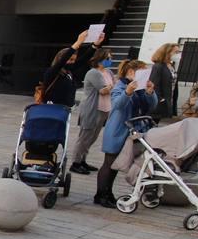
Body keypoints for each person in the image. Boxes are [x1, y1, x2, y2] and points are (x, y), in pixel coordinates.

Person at [95, 59, 157, 207]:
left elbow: (150, 107)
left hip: (131, 131)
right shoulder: (120, 86)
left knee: (116, 165)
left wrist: (150, 92)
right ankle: (101, 195)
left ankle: (108, 193)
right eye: (141, 73)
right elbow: (117, 105)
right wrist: (128, 92)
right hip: (117, 130)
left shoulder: (139, 89)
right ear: (131, 73)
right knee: (109, 163)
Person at [69, 48, 117, 175]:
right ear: (99, 59)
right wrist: (111, 87)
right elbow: (103, 90)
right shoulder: (93, 73)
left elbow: (113, 86)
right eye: (108, 58)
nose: (110, 60)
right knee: (85, 137)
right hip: (92, 109)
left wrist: (111, 87)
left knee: (93, 137)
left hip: (104, 108)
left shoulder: (109, 72)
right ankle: (76, 162)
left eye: (111, 58)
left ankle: (83, 160)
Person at [40, 30, 96, 107]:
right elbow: (63, 60)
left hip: (66, 108)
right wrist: (78, 43)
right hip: (52, 108)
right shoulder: (53, 71)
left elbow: (83, 60)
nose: (72, 62)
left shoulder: (68, 71)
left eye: (73, 60)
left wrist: (95, 46)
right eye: (70, 60)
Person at [150, 42, 179, 121]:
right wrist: (160, 99)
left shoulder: (171, 66)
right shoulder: (158, 66)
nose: (178, 55)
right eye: (176, 52)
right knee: (153, 122)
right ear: (167, 53)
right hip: (160, 101)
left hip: (169, 98)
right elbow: (154, 84)